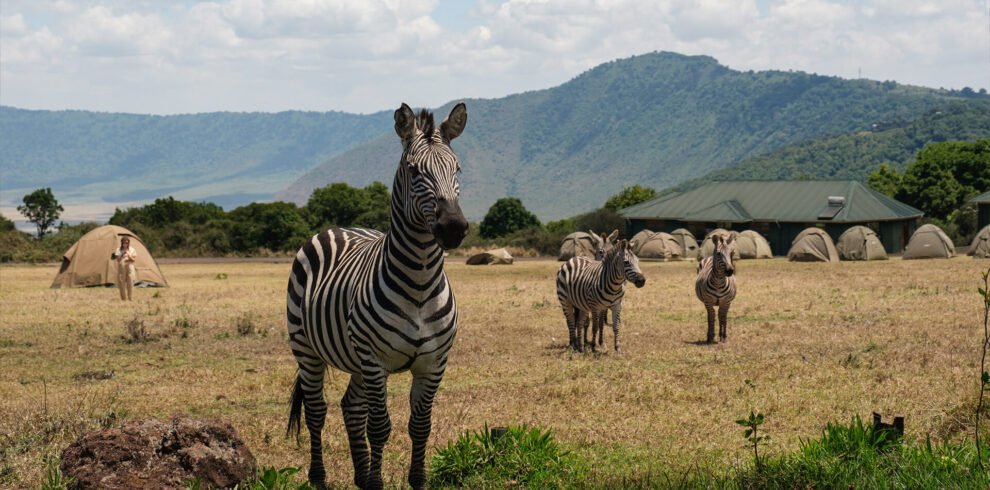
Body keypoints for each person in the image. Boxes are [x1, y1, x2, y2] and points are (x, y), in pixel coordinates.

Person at [112, 236, 137, 301]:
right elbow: (118, 260)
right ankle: (123, 298)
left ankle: (130, 297)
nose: (125, 244)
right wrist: (122, 255)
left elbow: (134, 259)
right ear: (122, 243)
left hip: (129, 265)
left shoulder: (131, 249)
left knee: (130, 281)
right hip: (122, 265)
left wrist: (129, 256)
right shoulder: (118, 250)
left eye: (127, 242)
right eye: (124, 242)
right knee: (121, 281)